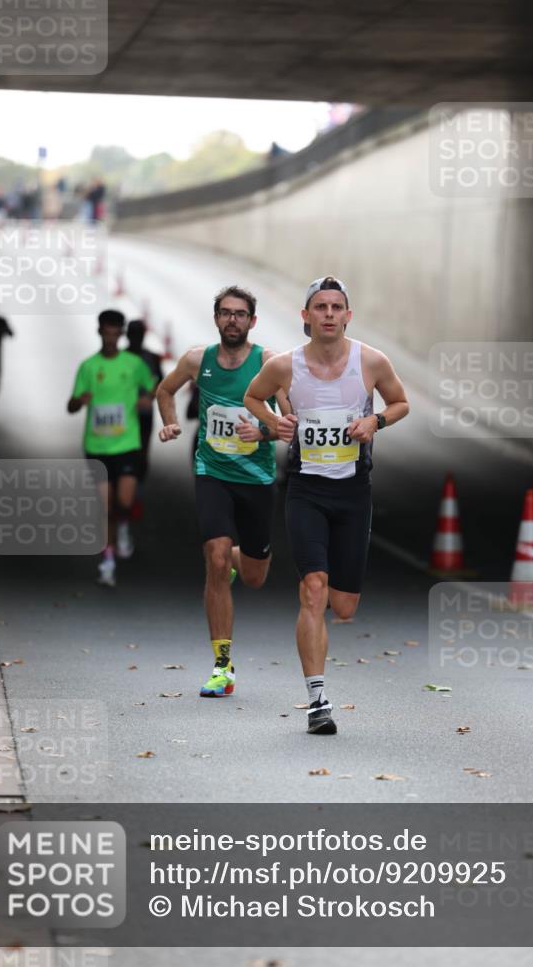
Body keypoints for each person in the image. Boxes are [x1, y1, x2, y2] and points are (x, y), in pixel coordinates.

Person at [244, 276, 410, 735]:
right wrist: (274, 423)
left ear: (348, 315)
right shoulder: (284, 366)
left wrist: (374, 421)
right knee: (313, 588)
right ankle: (318, 701)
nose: (330, 314)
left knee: (344, 607)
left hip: (354, 491)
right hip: (306, 489)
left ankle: (322, 673)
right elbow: (252, 396)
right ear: (306, 316)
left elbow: (401, 403)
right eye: (321, 307)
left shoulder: (371, 361)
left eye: (337, 307)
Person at [156, 285, 290, 698]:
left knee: (252, 576)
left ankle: (238, 558)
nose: (233, 320)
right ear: (216, 318)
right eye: (226, 313)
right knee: (214, 557)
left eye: (241, 314)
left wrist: (262, 432)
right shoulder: (199, 359)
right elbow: (164, 390)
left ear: (253, 321)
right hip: (212, 473)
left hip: (256, 481)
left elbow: (290, 425)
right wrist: (171, 422)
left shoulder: (268, 363)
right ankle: (222, 666)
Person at [67, 310, 158, 587]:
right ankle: (108, 559)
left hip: (127, 444)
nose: (110, 337)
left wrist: (147, 398)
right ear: (100, 332)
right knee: (106, 505)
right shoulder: (88, 367)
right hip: (97, 446)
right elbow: (70, 406)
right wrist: (80, 401)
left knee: (125, 502)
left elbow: (155, 386)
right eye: (106, 332)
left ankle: (122, 526)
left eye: (115, 332)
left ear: (120, 334)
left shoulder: (133, 364)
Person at [126, 319, 163, 490]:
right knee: (125, 451)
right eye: (133, 334)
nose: (136, 338)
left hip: (144, 412)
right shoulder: (120, 358)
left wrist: (149, 397)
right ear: (127, 335)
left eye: (138, 335)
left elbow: (162, 383)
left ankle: (138, 487)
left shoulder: (152, 358)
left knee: (142, 451)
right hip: (124, 413)